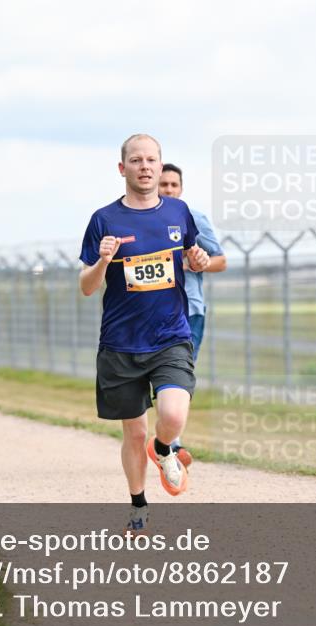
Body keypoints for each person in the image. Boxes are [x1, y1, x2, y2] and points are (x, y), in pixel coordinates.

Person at [79, 134, 210, 534]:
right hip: (121, 342)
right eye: (136, 160)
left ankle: (164, 447)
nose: (145, 166)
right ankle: (138, 504)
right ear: (123, 169)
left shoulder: (178, 212)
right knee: (134, 430)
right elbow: (86, 286)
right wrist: (103, 261)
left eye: (151, 159)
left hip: (170, 335)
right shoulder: (104, 219)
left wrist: (197, 259)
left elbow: (192, 255)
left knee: (172, 414)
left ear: (160, 164)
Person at [158, 163, 227, 466]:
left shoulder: (195, 220)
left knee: (180, 375)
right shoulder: (143, 223)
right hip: (153, 309)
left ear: (181, 188)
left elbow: (221, 260)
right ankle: (160, 439)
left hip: (191, 309)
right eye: (164, 185)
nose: (169, 190)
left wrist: (196, 264)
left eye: (173, 185)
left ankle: (172, 443)